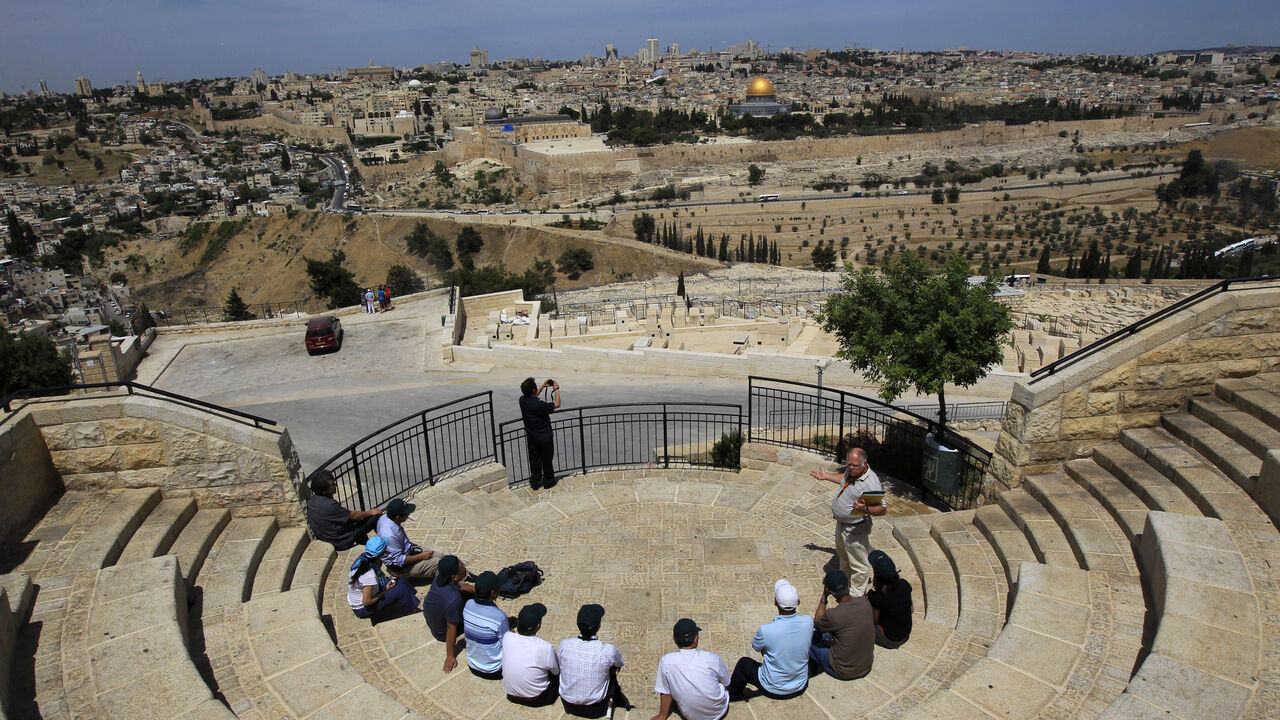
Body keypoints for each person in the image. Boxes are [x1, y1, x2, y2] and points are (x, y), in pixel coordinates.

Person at [810, 446, 886, 596]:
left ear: (865, 463)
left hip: (855, 528)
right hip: (843, 524)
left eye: (854, 465)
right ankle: (845, 581)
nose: (850, 468)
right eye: (848, 464)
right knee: (843, 554)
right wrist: (827, 476)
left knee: (859, 563)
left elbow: (883, 509)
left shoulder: (871, 484)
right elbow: (843, 478)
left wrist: (866, 509)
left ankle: (857, 594)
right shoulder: (852, 472)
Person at [728, 579, 813, 700]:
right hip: (800, 684)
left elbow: (756, 646)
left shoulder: (766, 630)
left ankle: (733, 695)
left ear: (775, 603)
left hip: (773, 688)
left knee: (744, 664)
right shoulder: (808, 622)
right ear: (798, 602)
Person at [558, 603, 631, 717]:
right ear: (599, 626)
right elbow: (619, 663)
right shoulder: (607, 650)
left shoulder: (564, 644)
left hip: (568, 704)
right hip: (597, 708)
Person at [652, 618, 730, 720]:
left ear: (674, 639)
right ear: (696, 639)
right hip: (719, 711)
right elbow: (726, 681)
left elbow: (665, 692)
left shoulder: (666, 661)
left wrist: (662, 716)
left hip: (691, 716)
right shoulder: (712, 658)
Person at [808, 570, 874, 680]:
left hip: (844, 670)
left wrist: (824, 597)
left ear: (828, 590)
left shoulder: (833, 615)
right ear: (849, 583)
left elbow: (817, 622)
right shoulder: (865, 603)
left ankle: (810, 670)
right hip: (866, 665)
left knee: (806, 643)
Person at [306, 469, 382, 550]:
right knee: (375, 517)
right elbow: (353, 515)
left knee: (358, 522)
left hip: (331, 535)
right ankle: (390, 545)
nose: (335, 486)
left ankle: (367, 548)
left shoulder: (312, 501)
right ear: (324, 490)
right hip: (340, 540)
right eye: (332, 485)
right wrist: (371, 512)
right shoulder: (330, 505)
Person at [347, 536, 419, 621]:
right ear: (381, 554)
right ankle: (411, 610)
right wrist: (386, 591)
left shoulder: (364, 559)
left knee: (402, 581)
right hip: (362, 609)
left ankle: (410, 601)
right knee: (402, 589)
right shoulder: (369, 577)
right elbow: (367, 602)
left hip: (370, 594)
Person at [503, 602, 560, 706]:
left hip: (511, 695)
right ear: (538, 626)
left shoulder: (507, 638)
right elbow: (555, 672)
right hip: (537, 699)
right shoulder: (545, 647)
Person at [423, 555, 468, 672]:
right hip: (442, 633)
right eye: (461, 566)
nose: (464, 566)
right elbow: (451, 628)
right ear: (455, 576)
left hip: (433, 620)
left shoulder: (439, 580)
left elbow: (457, 586)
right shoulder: (454, 600)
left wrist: (474, 589)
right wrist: (450, 656)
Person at [376, 497, 440, 580]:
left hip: (408, 549)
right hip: (401, 568)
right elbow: (399, 561)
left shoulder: (385, 517)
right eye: (406, 513)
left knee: (442, 556)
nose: (408, 514)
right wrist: (421, 556)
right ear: (398, 517)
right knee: (440, 564)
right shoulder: (389, 536)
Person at [462, 571, 509, 678]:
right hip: (495, 670)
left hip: (473, 666)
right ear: (493, 592)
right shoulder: (499, 617)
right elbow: (506, 644)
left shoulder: (468, 605)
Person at [519, 377, 560, 490]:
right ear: (533, 390)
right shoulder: (539, 405)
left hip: (532, 437)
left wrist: (542, 386)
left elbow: (532, 397)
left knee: (535, 460)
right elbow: (557, 404)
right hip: (545, 438)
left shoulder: (522, 400)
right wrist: (556, 389)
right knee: (547, 460)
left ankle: (535, 482)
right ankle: (548, 481)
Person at [866, 550, 913, 649]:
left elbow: (874, 621)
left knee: (856, 619)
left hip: (890, 639)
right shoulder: (904, 585)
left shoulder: (877, 597)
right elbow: (911, 609)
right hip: (906, 634)